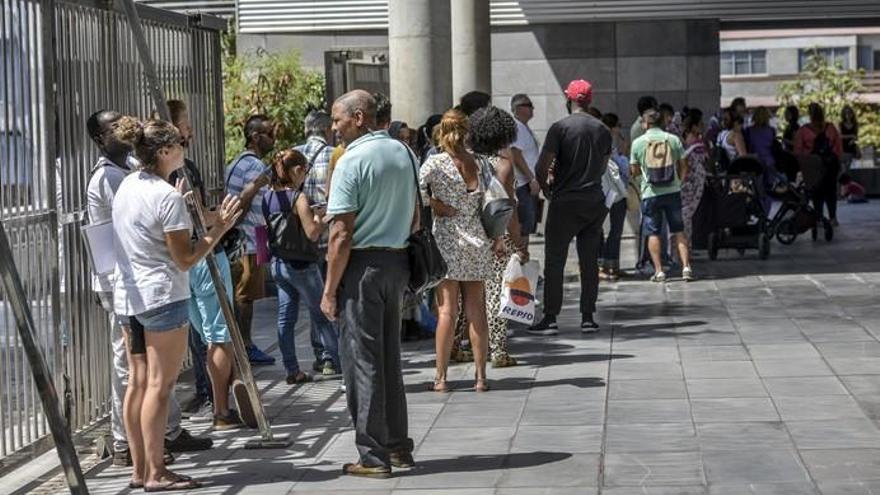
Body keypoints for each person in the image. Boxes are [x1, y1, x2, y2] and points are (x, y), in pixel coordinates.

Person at [112, 119, 241, 491]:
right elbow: (185, 259)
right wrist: (218, 231)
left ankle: (140, 470)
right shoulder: (166, 196)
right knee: (159, 385)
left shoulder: (128, 185)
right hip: (162, 296)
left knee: (137, 383)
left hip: (129, 295)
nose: (185, 149)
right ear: (166, 151)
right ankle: (156, 473)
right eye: (180, 144)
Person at [85, 111, 209, 468]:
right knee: (148, 379)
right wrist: (211, 231)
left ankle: (149, 455)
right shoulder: (113, 178)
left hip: (134, 285)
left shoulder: (128, 178)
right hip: (141, 286)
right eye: (112, 128)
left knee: (143, 379)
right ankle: (143, 455)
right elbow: (175, 251)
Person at [321, 90, 418, 478]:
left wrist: (329, 290)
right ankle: (397, 447)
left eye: (338, 119)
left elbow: (340, 234)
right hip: (397, 262)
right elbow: (416, 217)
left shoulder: (351, 161)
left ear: (359, 117)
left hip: (362, 266)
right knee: (389, 359)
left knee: (362, 362)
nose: (334, 126)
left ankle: (373, 455)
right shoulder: (405, 153)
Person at [167, 100, 245, 430]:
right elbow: (197, 215)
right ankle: (221, 410)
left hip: (174, 260)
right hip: (202, 253)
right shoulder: (186, 168)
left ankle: (220, 398)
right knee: (219, 334)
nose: (191, 130)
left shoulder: (145, 174)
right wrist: (222, 218)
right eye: (185, 124)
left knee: (204, 333)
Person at [419, 108, 499, 391]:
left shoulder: (436, 163)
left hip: (447, 241)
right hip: (477, 240)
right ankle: (480, 377)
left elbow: (415, 193)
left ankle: (440, 378)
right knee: (476, 310)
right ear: (467, 131)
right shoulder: (480, 163)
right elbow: (494, 199)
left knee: (446, 312)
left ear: (441, 131)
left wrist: (435, 204)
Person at [530, 79, 611, 335]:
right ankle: (588, 316)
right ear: (589, 100)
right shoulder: (602, 129)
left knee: (555, 261)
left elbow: (542, 166)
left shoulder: (559, 128)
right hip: (594, 201)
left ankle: (551, 317)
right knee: (589, 261)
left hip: (565, 201)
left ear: (569, 100)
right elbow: (604, 164)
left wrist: (545, 187)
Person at [264, 149, 339, 385]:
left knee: (286, 319)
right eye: (305, 171)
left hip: (278, 264)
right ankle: (342, 364)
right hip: (302, 266)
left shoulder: (267, 196)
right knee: (323, 316)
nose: (305, 175)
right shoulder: (299, 198)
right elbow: (313, 234)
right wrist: (324, 217)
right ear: (296, 170)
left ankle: (292, 370)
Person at [471, 105, 530, 367]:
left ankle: (464, 345)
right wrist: (518, 243)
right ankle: (498, 350)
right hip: (496, 235)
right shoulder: (503, 165)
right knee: (496, 292)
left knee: (468, 292)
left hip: (468, 234)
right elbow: (509, 209)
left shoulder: (465, 161)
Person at [225, 114, 276, 365]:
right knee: (247, 296)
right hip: (251, 237)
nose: (273, 138)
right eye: (269, 133)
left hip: (257, 235)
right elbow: (242, 203)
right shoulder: (254, 167)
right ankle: (245, 346)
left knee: (249, 293)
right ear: (255, 136)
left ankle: (244, 345)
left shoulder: (238, 163)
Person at [293, 110, 338, 376]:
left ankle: (321, 355)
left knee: (312, 302)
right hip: (329, 237)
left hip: (301, 241)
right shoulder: (335, 155)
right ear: (327, 130)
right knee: (331, 296)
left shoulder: (293, 154)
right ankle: (333, 355)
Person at [630, 108, 693, 283]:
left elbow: (634, 171)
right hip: (673, 192)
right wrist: (678, 182)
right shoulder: (673, 140)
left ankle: (659, 271)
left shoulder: (638, 143)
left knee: (653, 232)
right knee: (679, 231)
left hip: (650, 193)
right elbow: (684, 165)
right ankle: (686, 267)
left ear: (646, 124)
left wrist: (642, 180)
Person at [794, 102, 843, 226]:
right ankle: (833, 218)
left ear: (810, 114)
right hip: (830, 165)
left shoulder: (804, 130)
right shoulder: (830, 128)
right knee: (831, 191)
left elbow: (798, 151)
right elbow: (838, 147)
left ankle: (819, 218)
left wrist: (802, 164)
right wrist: (836, 161)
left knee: (816, 192)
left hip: (813, 165)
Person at [599, 113, 629, 281]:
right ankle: (607, 264)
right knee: (612, 229)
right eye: (619, 125)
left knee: (615, 229)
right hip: (611, 190)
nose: (620, 128)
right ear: (613, 127)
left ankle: (612, 265)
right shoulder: (606, 142)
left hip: (611, 190)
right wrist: (624, 154)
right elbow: (620, 165)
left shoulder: (611, 142)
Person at [509, 94, 541, 244]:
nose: (532, 108)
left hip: (527, 184)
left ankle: (523, 258)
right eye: (529, 105)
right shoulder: (517, 127)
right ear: (519, 108)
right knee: (523, 225)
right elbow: (516, 154)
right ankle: (520, 258)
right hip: (522, 184)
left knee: (528, 224)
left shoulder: (523, 127)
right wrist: (531, 178)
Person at [680, 109, 708, 244]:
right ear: (694, 126)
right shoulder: (697, 143)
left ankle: (685, 245)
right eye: (700, 124)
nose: (703, 126)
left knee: (685, 214)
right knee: (687, 214)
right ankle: (686, 245)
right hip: (693, 182)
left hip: (687, 181)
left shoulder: (686, 140)